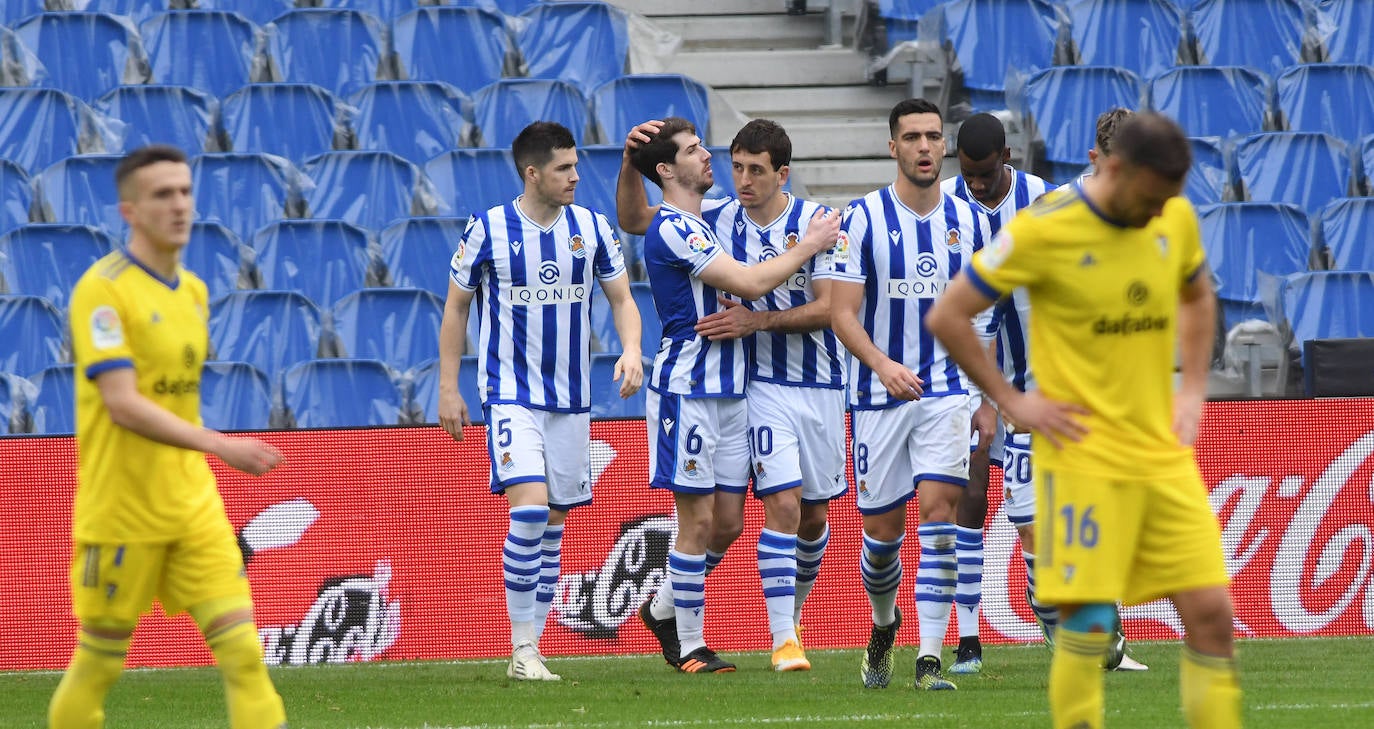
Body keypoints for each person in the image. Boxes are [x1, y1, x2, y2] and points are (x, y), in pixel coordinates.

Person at [925, 112, 1240, 728]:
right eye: (1152, 198)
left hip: (1161, 456)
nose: (1160, 213)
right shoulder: (1046, 228)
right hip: (1082, 462)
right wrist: (1011, 401)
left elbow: (1198, 293)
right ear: (1114, 169)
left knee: (1212, 615)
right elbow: (949, 315)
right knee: (1088, 629)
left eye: (1169, 199)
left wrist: (1193, 390)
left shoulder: (1173, 214)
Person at [50, 145, 288, 729]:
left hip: (193, 508)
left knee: (244, 654)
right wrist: (220, 444)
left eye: (185, 191)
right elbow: (123, 404)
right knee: (100, 665)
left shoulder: (194, 291)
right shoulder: (101, 292)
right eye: (163, 195)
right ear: (129, 210)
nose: (180, 205)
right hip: (121, 511)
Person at [618, 119, 846, 672]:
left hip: (737, 388)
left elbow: (831, 304)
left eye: (749, 167)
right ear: (668, 170)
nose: (714, 161)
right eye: (697, 151)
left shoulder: (706, 218)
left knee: (730, 523)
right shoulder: (684, 225)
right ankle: (694, 643)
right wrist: (810, 246)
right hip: (689, 386)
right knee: (701, 521)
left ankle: (667, 608)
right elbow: (745, 284)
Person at [437, 121, 645, 682]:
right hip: (511, 395)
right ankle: (522, 646)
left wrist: (631, 349)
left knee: (553, 524)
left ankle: (532, 647)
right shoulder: (489, 230)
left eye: (576, 166)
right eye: (564, 168)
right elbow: (456, 309)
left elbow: (623, 299)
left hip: (572, 400)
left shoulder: (593, 228)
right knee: (528, 510)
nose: (576, 176)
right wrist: (449, 387)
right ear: (533, 173)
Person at [816, 98, 991, 691]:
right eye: (912, 136)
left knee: (938, 520)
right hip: (875, 398)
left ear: (945, 146)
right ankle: (883, 627)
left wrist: (984, 396)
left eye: (933, 136)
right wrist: (881, 363)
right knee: (881, 543)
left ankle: (929, 659)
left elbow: (978, 320)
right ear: (892, 146)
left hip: (945, 393)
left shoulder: (970, 224)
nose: (924, 146)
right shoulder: (860, 219)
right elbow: (841, 313)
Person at [938, 112, 1051, 674]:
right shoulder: (946, 206)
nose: (975, 184)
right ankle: (967, 638)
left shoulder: (1043, 200)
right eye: (968, 174)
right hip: (969, 376)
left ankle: (1076, 626)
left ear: (1007, 155)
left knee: (1049, 510)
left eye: (984, 173)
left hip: (1032, 382)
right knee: (971, 493)